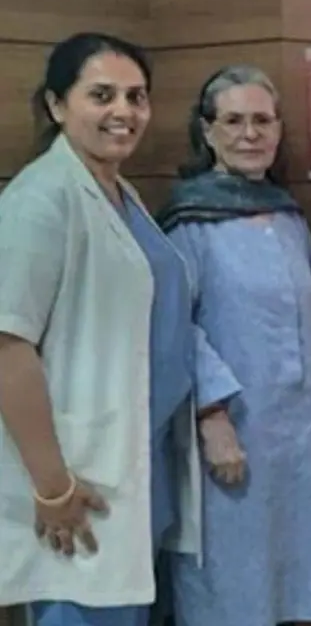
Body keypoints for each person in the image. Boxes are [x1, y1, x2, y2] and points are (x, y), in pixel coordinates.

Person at [0, 32, 201, 626]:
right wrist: (53, 487)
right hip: (76, 478)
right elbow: (9, 346)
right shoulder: (39, 199)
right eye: (102, 95)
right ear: (57, 105)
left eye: (137, 97)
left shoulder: (117, 192)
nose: (124, 112)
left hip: (136, 461)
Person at [155, 65, 311, 626]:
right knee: (233, 588)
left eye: (262, 120)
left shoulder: (288, 216)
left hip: (303, 437)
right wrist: (213, 417)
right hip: (232, 435)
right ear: (207, 131)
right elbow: (176, 327)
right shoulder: (189, 221)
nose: (250, 133)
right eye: (234, 121)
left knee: (301, 583)